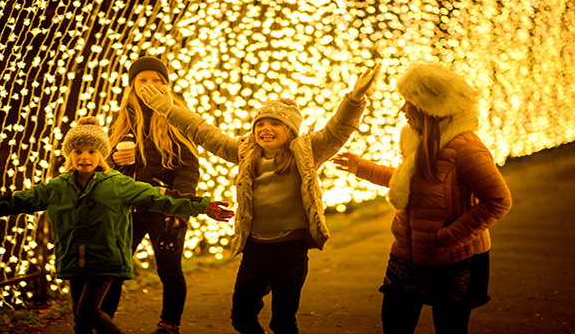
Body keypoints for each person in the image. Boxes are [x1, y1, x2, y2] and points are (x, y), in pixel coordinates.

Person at [137, 65, 381, 334]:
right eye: (260, 124)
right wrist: (169, 109)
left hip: (291, 251)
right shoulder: (245, 152)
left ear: (290, 130)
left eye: (276, 123)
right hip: (255, 249)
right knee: (241, 317)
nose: (266, 129)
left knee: (283, 321)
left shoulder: (307, 152)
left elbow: (338, 130)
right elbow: (202, 131)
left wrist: (354, 100)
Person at [0, 117, 234, 334]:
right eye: (78, 151)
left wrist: (201, 205)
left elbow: (161, 198)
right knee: (81, 321)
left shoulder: (118, 184)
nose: (85, 157)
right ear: (69, 155)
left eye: (92, 152)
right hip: (74, 261)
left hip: (106, 260)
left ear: (102, 156)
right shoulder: (57, 187)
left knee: (88, 311)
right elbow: (18, 200)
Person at [333, 63, 512, 334]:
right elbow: (410, 180)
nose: (402, 110)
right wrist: (362, 167)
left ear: (429, 107)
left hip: (456, 259)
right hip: (407, 253)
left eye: (408, 102)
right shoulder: (418, 139)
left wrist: (448, 237)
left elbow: (498, 201)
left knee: (450, 328)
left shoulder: (467, 149)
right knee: (395, 324)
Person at [102, 56, 200, 334]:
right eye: (143, 79)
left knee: (169, 269)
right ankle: (102, 323)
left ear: (166, 86)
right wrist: (116, 158)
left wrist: (179, 206)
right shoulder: (119, 120)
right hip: (126, 208)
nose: (150, 85)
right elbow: (103, 167)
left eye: (157, 80)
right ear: (132, 85)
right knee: (113, 269)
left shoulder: (178, 117)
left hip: (165, 207)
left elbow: (188, 168)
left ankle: (169, 324)